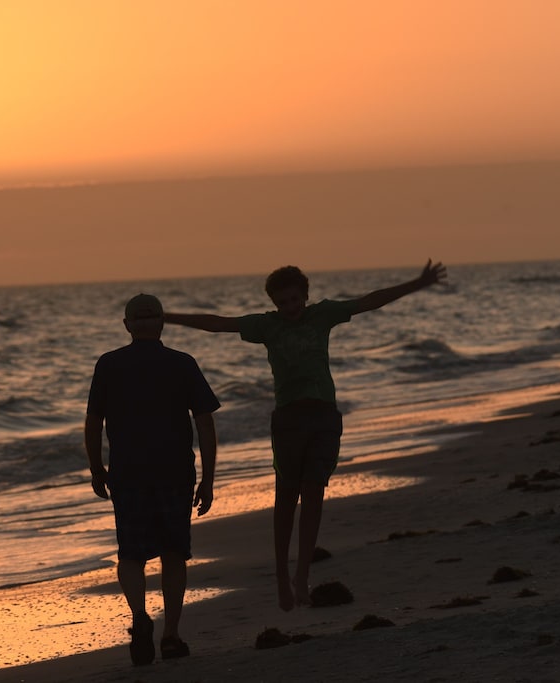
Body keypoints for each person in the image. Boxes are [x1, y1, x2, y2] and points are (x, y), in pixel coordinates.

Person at [164, 260, 446, 612]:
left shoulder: (323, 315)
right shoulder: (266, 325)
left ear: (305, 297)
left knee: (315, 492)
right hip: (288, 421)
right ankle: (282, 575)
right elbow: (217, 324)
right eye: (283, 303)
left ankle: (302, 575)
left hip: (324, 416)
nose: (290, 308)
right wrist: (169, 318)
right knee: (286, 497)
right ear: (274, 303)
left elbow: (370, 301)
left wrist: (417, 284)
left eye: (295, 300)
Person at [85, 293, 220, 666]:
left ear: (128, 326)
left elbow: (94, 421)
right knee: (174, 554)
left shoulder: (109, 365)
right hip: (175, 472)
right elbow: (205, 422)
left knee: (131, 554)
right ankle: (172, 635)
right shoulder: (181, 363)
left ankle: (140, 618)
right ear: (161, 324)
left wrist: (97, 468)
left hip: (129, 474)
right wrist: (208, 479)